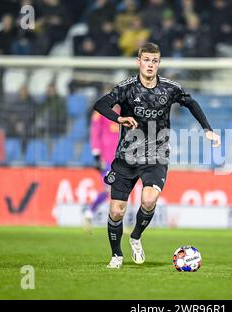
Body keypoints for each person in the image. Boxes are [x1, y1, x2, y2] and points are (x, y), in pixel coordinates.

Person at [92, 42, 221, 269]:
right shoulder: (127, 88)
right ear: (138, 62)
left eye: (154, 61)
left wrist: (207, 129)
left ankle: (136, 237)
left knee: (149, 199)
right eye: (146, 60)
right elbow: (100, 104)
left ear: (158, 63)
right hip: (126, 157)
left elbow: (191, 103)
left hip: (156, 156)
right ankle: (116, 255)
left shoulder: (169, 88)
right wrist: (118, 118)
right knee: (116, 210)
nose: (150, 65)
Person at [82, 103, 120, 231]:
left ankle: (90, 214)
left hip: (120, 158)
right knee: (109, 189)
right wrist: (96, 155)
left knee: (117, 190)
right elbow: (95, 133)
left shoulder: (123, 112)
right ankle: (89, 213)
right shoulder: (100, 113)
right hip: (106, 158)